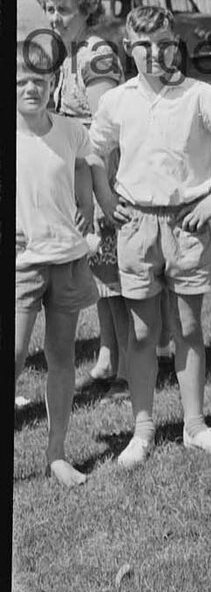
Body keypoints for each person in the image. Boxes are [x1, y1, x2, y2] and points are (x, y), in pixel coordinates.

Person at [88, 5, 211, 469]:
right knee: (142, 333)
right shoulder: (117, 100)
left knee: (188, 327)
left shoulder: (198, 94)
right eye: (141, 46)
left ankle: (195, 425)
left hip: (187, 223)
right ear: (129, 49)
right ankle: (143, 428)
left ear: (174, 44)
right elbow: (93, 151)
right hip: (136, 224)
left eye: (162, 43)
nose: (152, 53)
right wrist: (105, 198)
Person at [38, 0, 130, 394]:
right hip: (78, 178)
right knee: (99, 270)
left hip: (103, 175)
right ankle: (108, 357)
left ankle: (129, 365)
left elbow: (105, 128)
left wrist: (98, 193)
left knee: (118, 273)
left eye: (65, 9)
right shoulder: (65, 54)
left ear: (86, 9)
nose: (56, 17)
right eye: (51, 9)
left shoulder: (97, 55)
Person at [15, 47, 99, 485]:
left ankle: (57, 453)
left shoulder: (68, 130)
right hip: (22, 266)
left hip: (66, 257)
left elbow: (83, 163)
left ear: (53, 85)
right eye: (21, 80)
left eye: (39, 81)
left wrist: (86, 202)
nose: (31, 87)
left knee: (61, 356)